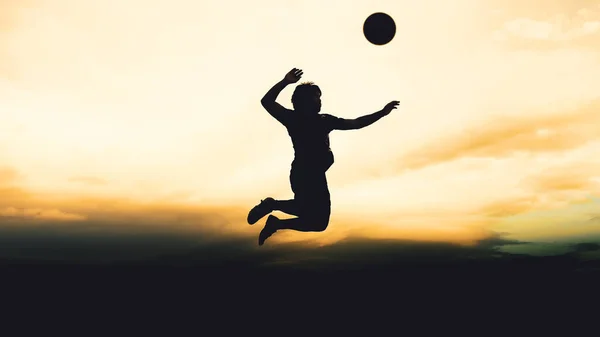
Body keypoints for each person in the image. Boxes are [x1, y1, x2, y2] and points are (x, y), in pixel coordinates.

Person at [248, 68, 399, 246]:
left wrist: (382, 113)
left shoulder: (323, 120)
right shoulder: (296, 119)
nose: (320, 101)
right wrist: (285, 82)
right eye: (316, 98)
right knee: (316, 220)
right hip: (307, 173)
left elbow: (357, 123)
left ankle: (274, 215)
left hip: (310, 174)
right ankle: (272, 208)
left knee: (315, 219)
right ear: (305, 101)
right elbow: (266, 101)